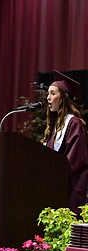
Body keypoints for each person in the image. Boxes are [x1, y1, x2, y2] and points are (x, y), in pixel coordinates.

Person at [42, 70, 88, 216]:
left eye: (53, 93)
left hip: (71, 188)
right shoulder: (56, 127)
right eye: (48, 93)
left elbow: (73, 161)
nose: (48, 98)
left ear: (63, 98)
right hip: (58, 186)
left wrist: (52, 175)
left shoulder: (74, 124)